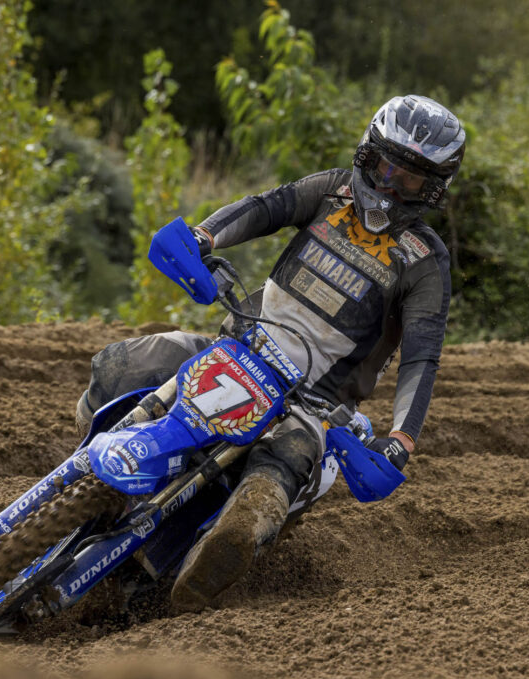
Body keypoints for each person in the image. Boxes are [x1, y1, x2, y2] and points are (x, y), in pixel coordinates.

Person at [76, 95, 465, 612]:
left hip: (312, 404)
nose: (391, 186)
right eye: (386, 168)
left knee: (278, 469)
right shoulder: (331, 190)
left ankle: (211, 563)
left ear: (432, 189)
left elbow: (421, 356)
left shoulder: (424, 262)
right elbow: (265, 208)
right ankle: (78, 479)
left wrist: (401, 439)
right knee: (121, 365)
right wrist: (204, 236)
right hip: (236, 348)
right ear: (367, 155)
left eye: (410, 180)